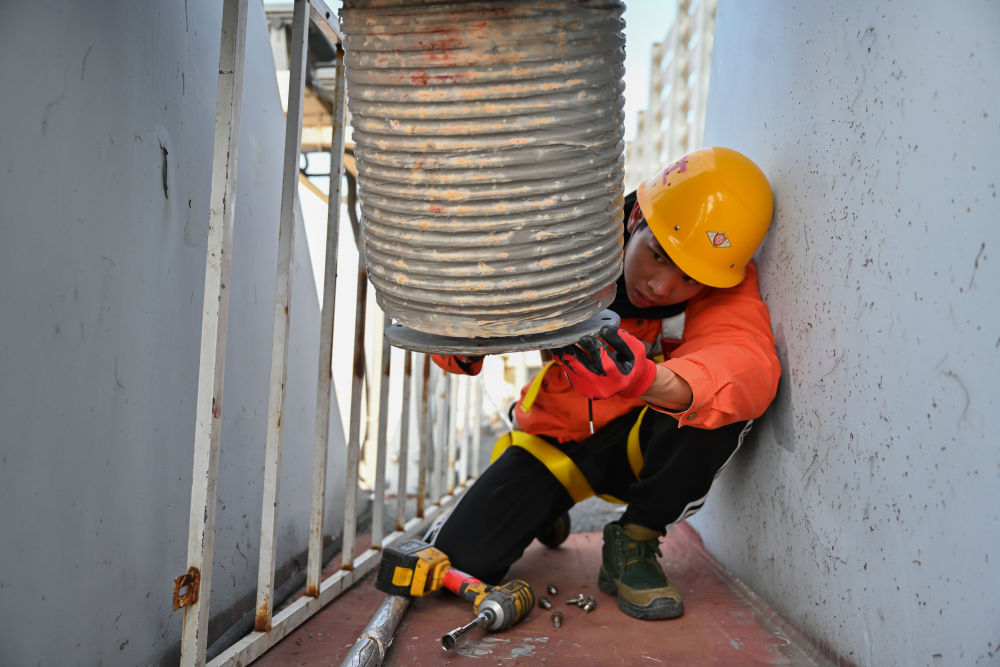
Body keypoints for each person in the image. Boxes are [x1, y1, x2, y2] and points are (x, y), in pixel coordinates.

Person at [428, 147, 781, 620]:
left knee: (719, 402)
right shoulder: (569, 249)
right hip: (559, 438)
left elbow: (746, 363)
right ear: (635, 217)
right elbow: (452, 336)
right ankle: (543, 506)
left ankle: (633, 539)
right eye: (657, 255)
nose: (661, 287)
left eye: (689, 278)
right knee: (463, 560)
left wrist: (646, 379)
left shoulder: (724, 279)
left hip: (643, 446)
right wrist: (472, 333)